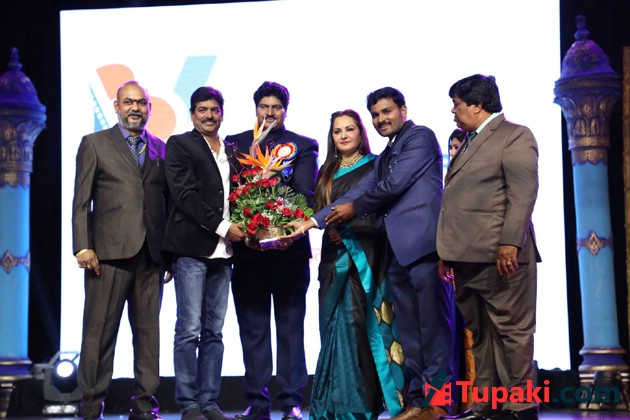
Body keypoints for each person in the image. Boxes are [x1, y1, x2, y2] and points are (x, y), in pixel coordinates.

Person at [286, 87, 455, 420]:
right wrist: (310, 222)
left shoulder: (420, 137)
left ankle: (439, 403)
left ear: (403, 110)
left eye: (387, 111)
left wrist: (354, 209)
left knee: (433, 329)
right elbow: (363, 188)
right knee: (409, 333)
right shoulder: (387, 152)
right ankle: (417, 401)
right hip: (396, 254)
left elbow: (393, 185)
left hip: (423, 247)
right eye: (375, 114)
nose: (381, 119)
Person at [437, 74, 540, 420]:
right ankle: (486, 407)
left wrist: (510, 243)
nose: (453, 111)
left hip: (500, 257)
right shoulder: (469, 141)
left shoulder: (515, 136)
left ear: (478, 105)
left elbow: (522, 194)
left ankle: (521, 407)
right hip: (466, 259)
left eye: (457, 104)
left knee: (513, 333)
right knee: (481, 335)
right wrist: (446, 253)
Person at [72, 80, 166, 419]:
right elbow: (81, 201)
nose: (134, 108)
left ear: (149, 108)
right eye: (128, 102)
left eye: (141, 103)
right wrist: (83, 246)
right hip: (107, 255)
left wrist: (167, 256)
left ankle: (144, 406)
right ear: (116, 106)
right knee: (98, 333)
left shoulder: (160, 148)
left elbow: (166, 204)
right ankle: (91, 406)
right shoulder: (94, 143)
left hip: (151, 257)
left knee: (148, 336)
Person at [226, 81, 319, 420]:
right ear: (255, 109)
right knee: (253, 330)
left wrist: (274, 212)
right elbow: (230, 193)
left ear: (285, 110)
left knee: (291, 328)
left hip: (289, 253)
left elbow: (305, 194)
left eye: (276, 107)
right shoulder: (235, 144)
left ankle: (291, 401)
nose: (269, 113)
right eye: (264, 106)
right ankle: (257, 402)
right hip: (249, 253)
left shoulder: (303, 145)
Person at [309, 110, 404, 420]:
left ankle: (361, 404)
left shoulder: (376, 165)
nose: (344, 135)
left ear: (361, 133)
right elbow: (319, 212)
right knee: (333, 328)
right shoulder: (326, 171)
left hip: (363, 257)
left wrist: (349, 228)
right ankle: (332, 403)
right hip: (332, 259)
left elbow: (379, 207)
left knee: (358, 327)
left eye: (349, 129)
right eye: (337, 131)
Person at [163, 87, 247, 420]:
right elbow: (184, 196)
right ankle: (188, 403)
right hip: (191, 250)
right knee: (188, 330)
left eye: (214, 109)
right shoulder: (180, 144)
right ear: (192, 114)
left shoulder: (232, 150)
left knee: (214, 332)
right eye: (202, 109)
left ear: (221, 113)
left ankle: (209, 402)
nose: (209, 115)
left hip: (224, 255)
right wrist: (224, 227)